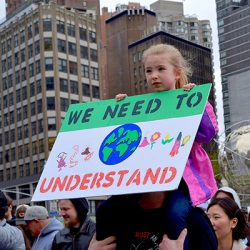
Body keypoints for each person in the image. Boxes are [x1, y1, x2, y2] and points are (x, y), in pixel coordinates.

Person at [96, 43, 218, 249]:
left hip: (180, 182)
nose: (154, 75)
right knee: (105, 209)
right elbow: (126, 141)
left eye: (161, 69)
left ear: (177, 73)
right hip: (147, 179)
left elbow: (208, 133)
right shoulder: (140, 106)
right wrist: (121, 110)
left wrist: (198, 102)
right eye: (149, 70)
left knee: (175, 215)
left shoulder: (189, 100)